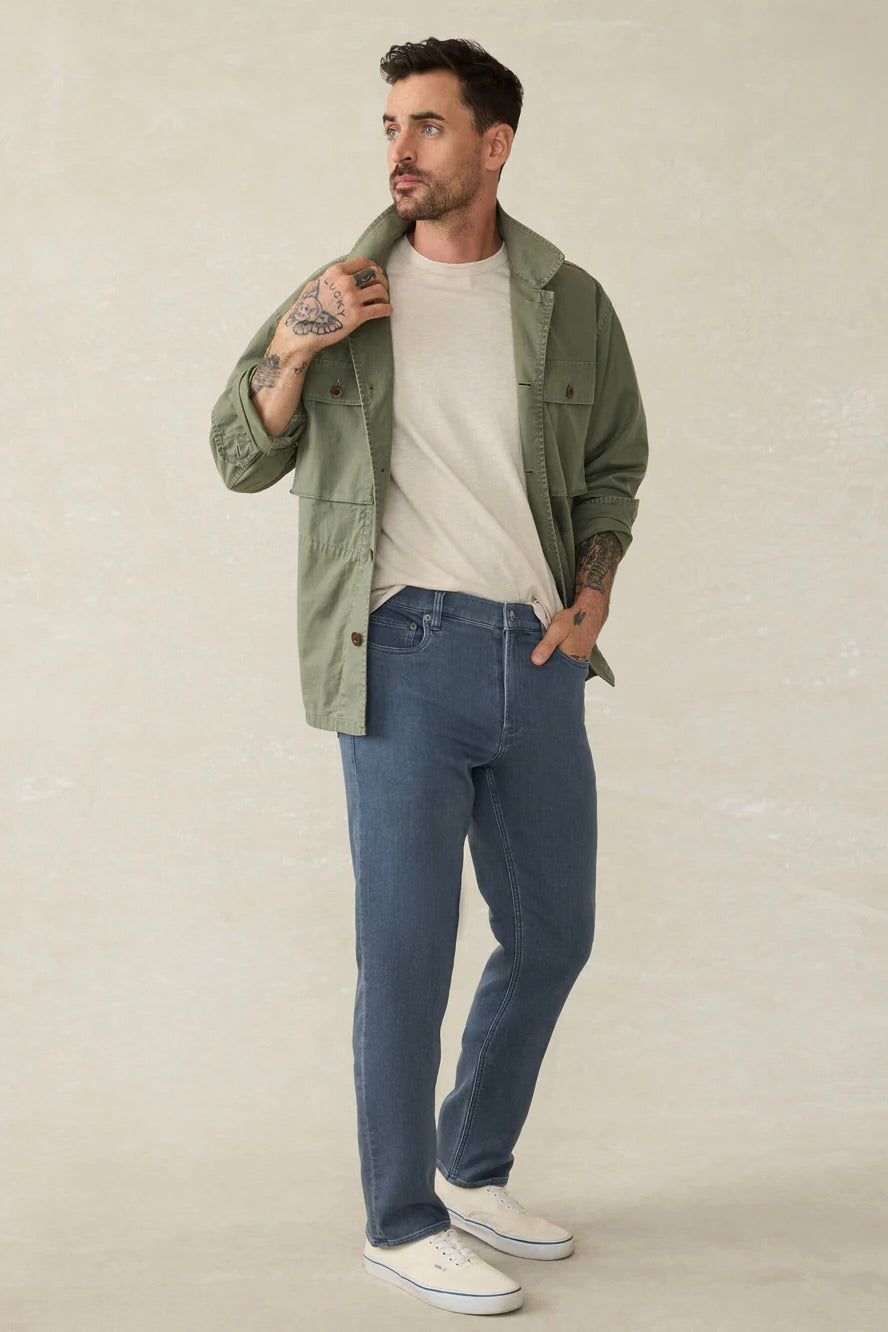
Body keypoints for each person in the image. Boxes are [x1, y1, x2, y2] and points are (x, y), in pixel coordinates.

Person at [210, 35, 648, 1317]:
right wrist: (298, 345)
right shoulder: (342, 290)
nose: (399, 150)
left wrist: (595, 589)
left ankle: (471, 1167)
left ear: (493, 145)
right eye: (390, 126)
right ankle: (399, 1221)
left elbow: (614, 467)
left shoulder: (568, 299)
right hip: (399, 656)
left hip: (538, 655)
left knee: (554, 932)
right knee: (406, 953)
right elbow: (240, 453)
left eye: (429, 126)